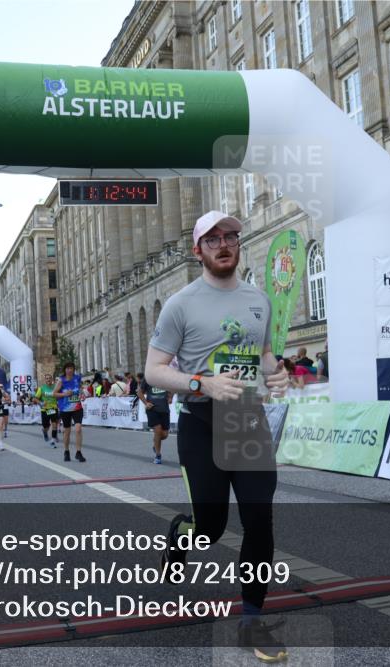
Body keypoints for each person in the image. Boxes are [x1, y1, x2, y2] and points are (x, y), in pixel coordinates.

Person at [145, 210, 290, 662]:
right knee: (209, 527)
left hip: (246, 419)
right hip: (202, 421)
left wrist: (277, 374)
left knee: (258, 521)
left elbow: (264, 355)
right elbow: (153, 370)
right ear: (198, 250)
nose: (224, 244)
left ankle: (251, 621)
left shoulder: (258, 299)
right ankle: (181, 533)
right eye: (213, 239)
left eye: (230, 236)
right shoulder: (181, 304)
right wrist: (200, 383)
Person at [55, 362, 85, 462]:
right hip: (65, 409)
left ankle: (78, 452)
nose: (69, 370)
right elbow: (54, 394)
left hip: (77, 407)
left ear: (73, 369)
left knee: (78, 429)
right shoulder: (61, 381)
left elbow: (80, 388)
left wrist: (82, 393)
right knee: (67, 431)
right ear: (65, 370)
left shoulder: (77, 378)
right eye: (67, 368)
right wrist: (64, 394)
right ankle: (66, 451)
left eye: (71, 368)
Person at [138, 373, 171, 464]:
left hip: (164, 409)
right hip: (152, 409)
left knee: (164, 435)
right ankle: (158, 455)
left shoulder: (166, 377)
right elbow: (139, 392)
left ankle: (155, 444)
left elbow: (171, 390)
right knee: (158, 430)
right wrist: (146, 403)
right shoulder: (148, 378)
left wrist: (170, 397)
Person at [35, 372, 59, 448]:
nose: (48, 380)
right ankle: (44, 432)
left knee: (54, 425)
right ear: (45, 380)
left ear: (52, 379)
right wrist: (41, 403)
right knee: (46, 427)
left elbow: (59, 395)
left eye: (49, 378)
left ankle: (53, 440)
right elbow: (35, 398)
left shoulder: (55, 387)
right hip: (45, 410)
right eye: (47, 378)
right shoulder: (41, 388)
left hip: (53, 408)